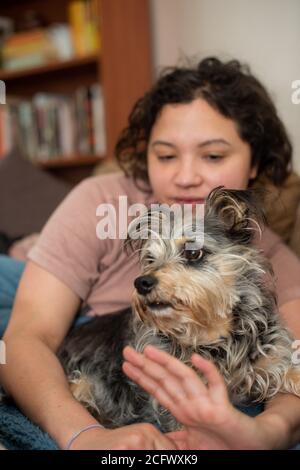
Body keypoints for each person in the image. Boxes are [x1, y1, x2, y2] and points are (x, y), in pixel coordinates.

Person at [1, 57, 300, 450]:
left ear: (254, 163)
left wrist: (268, 431)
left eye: (212, 156)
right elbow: (24, 338)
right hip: (81, 332)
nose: (185, 176)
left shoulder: (269, 256)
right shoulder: (101, 201)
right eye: (165, 155)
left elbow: (290, 368)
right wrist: (86, 435)